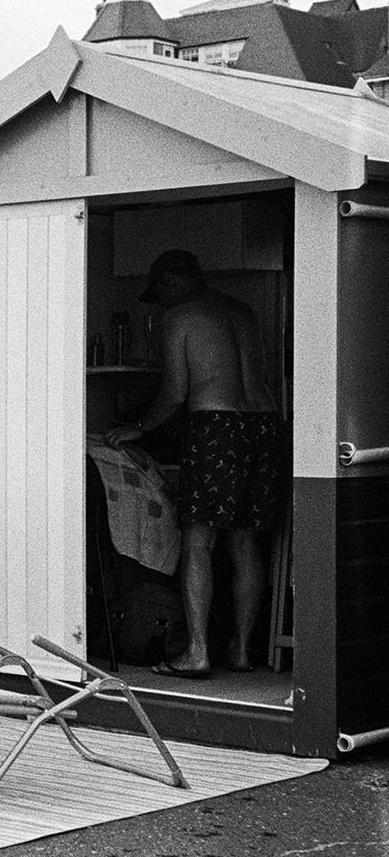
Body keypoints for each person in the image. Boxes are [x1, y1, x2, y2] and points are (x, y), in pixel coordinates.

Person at [105, 249, 282, 678]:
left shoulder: (180, 316)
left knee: (199, 540)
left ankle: (198, 653)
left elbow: (175, 392)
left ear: (169, 281)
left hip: (215, 427)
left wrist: (138, 428)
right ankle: (240, 650)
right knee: (244, 542)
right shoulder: (243, 313)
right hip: (264, 425)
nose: (160, 302)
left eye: (159, 292)